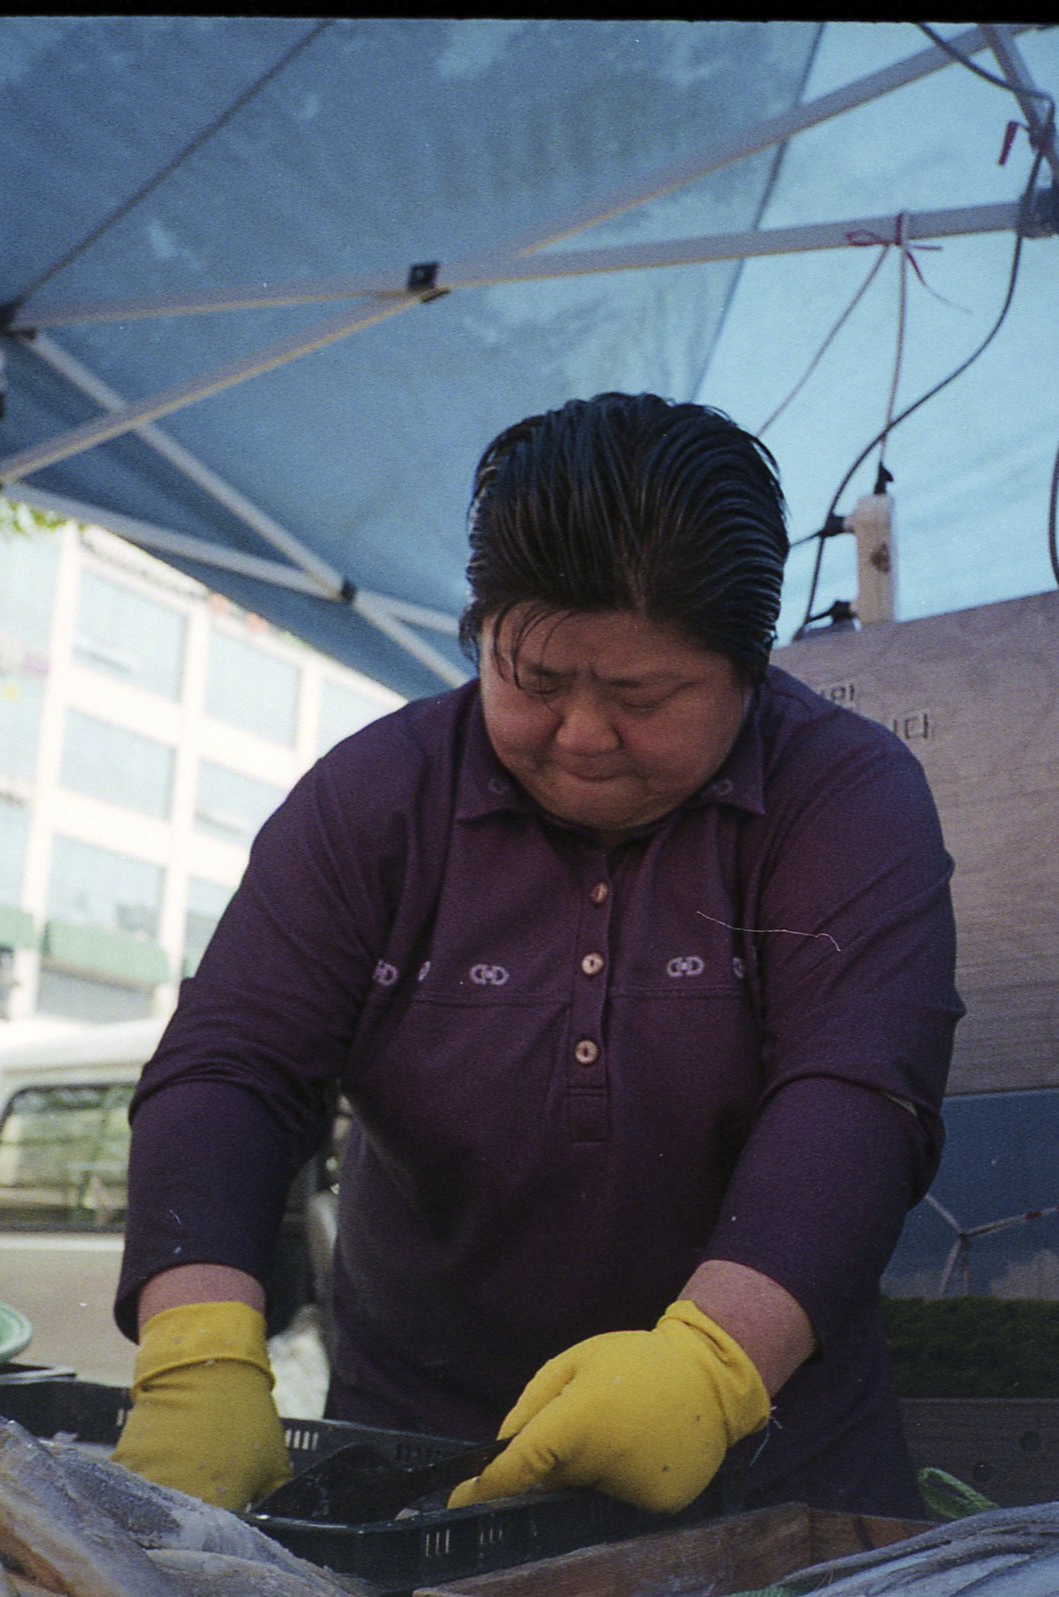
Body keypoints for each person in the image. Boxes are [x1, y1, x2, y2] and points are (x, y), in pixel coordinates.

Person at [109, 393, 960, 1521]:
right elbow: (234, 1066)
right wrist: (196, 1345)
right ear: (480, 632)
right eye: (535, 680)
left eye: (643, 695)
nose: (582, 736)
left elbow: (859, 1090)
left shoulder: (842, 798)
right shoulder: (373, 802)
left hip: (775, 1472)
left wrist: (711, 1365)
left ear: (750, 668)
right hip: (417, 1466)